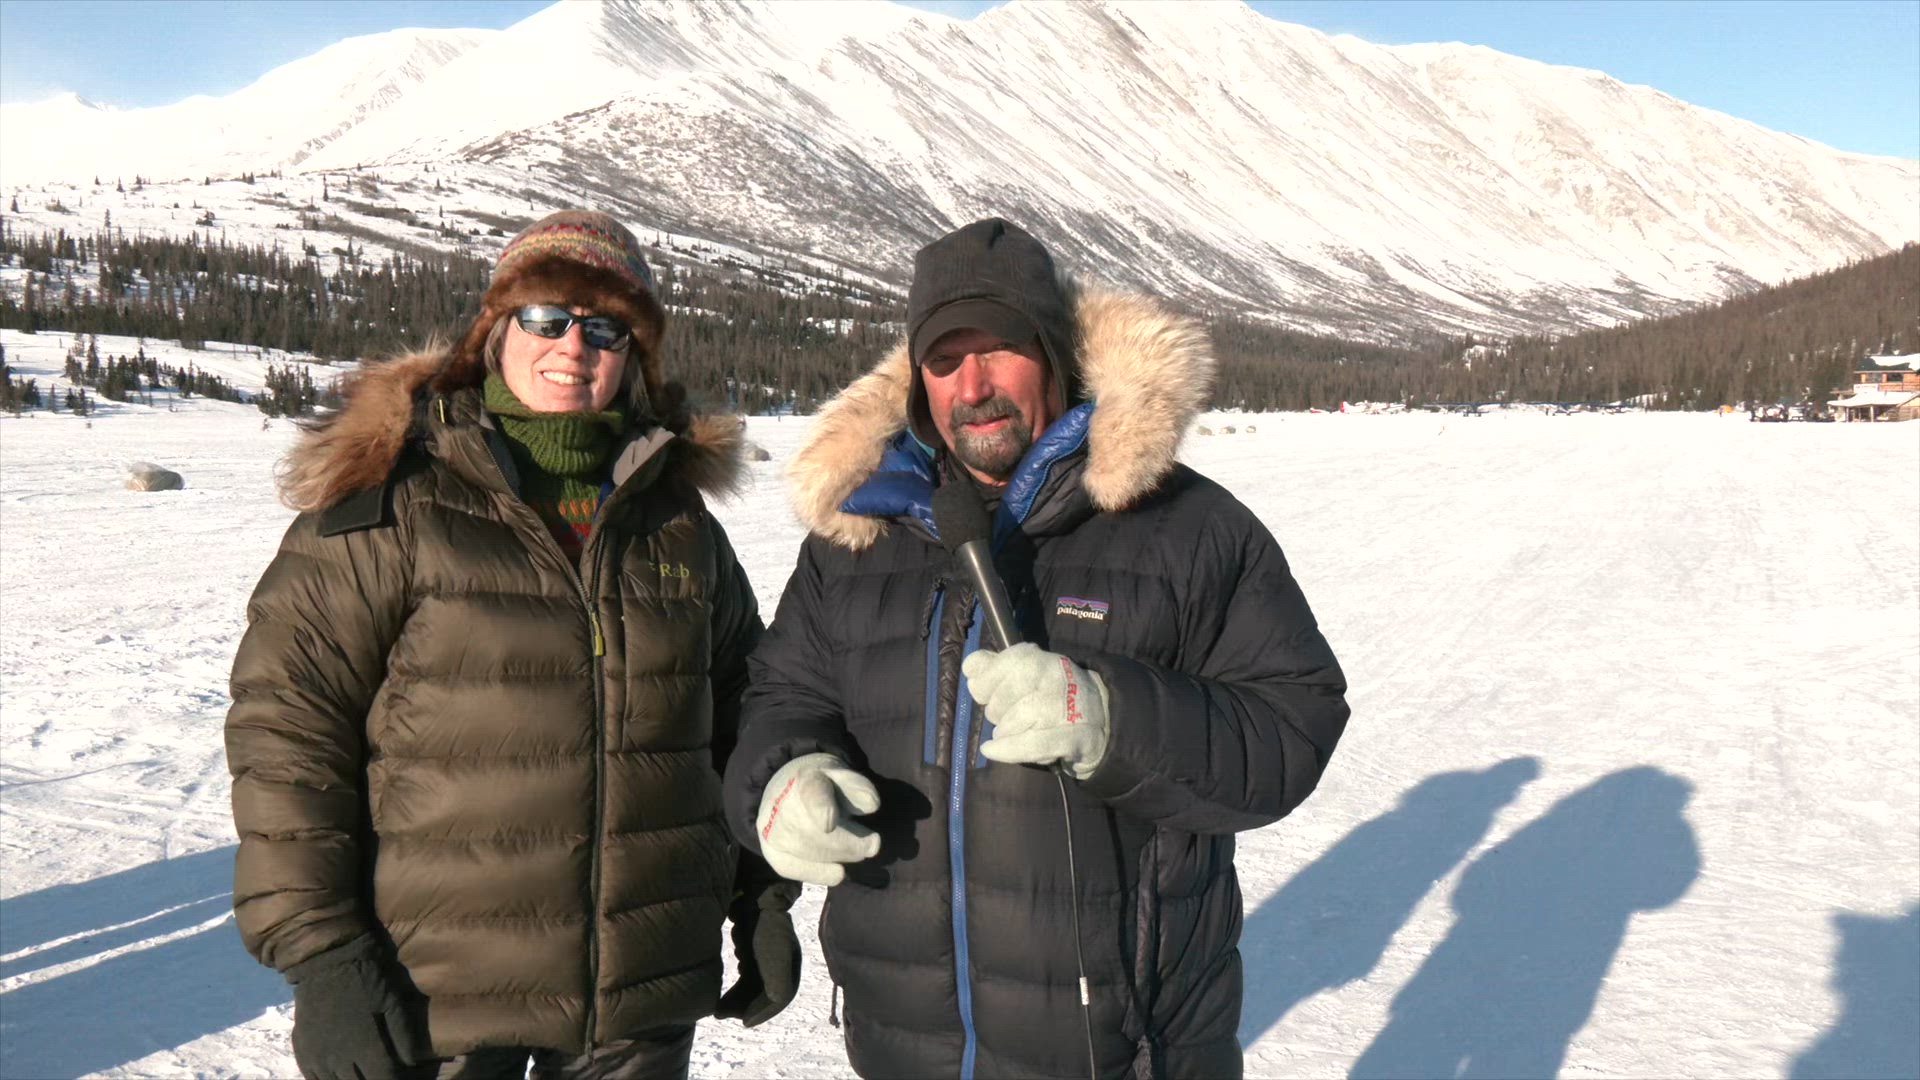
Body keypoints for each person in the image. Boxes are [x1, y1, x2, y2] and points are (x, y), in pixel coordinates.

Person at [723, 217, 1351, 1079]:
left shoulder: (1188, 529)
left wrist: (1114, 720)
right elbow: (783, 697)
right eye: (945, 359)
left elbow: (1292, 724)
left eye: (1000, 349)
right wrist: (782, 777)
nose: (973, 385)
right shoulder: (856, 541)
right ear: (917, 381)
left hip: (1125, 1049)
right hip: (902, 1044)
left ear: (1053, 354)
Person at [227, 210, 799, 1080]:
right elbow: (288, 731)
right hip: (443, 997)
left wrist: (762, 894)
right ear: (496, 331)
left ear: (635, 357)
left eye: (605, 329)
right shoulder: (397, 502)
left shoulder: (678, 523)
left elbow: (746, 721)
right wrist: (323, 953)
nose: (573, 346)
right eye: (546, 316)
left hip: (637, 997)